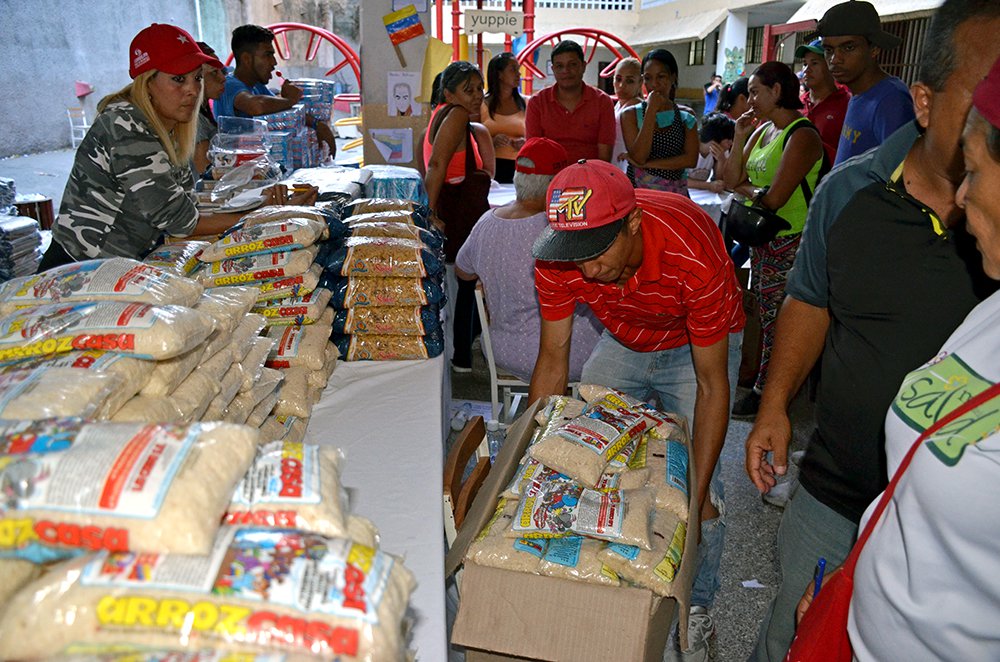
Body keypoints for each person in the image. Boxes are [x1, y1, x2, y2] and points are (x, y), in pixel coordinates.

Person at [744, 0, 1000, 658]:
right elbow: (810, 298)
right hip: (837, 490)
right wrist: (775, 402)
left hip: (958, 555)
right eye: (984, 93)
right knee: (791, 637)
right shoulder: (851, 193)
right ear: (924, 99)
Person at [528, 160, 744, 661]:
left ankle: (697, 601)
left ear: (632, 223)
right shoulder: (557, 260)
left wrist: (695, 489)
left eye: (596, 251)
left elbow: (713, 387)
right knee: (586, 453)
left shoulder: (691, 246)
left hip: (699, 345)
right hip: (628, 340)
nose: (585, 269)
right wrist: (537, 454)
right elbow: (553, 359)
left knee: (699, 488)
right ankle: (607, 572)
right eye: (572, 253)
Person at [41, 23, 315, 268]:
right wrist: (263, 215)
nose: (192, 90)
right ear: (147, 83)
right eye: (177, 79)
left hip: (121, 264)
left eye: (196, 77)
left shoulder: (170, 125)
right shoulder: (125, 124)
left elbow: (186, 203)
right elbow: (180, 221)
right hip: (78, 267)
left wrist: (265, 205)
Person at [722, 62, 825, 417]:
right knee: (767, 316)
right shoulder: (762, 130)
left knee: (780, 320)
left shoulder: (802, 135)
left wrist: (747, 190)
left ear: (777, 91)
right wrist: (738, 136)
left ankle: (768, 392)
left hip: (791, 241)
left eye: (754, 91)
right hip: (763, 240)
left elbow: (775, 198)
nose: (748, 99)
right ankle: (765, 385)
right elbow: (729, 178)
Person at [455, 138, 602, 382]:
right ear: (557, 183)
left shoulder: (486, 223)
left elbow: (463, 272)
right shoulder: (563, 228)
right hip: (565, 353)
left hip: (502, 352)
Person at [423, 61, 496, 373]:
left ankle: (460, 350)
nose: (478, 96)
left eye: (480, 88)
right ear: (450, 93)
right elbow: (437, 166)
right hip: (459, 215)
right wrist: (429, 211)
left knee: (457, 286)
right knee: (463, 283)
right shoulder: (456, 116)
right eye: (469, 90)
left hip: (456, 212)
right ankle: (461, 356)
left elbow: (427, 163)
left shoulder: (439, 116)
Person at [816, 0, 914, 165]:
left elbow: (900, 176)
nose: (835, 59)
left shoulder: (891, 100)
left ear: (874, 49)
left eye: (848, 48)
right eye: (829, 50)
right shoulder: (858, 93)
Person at [215, 24, 336, 157]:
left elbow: (281, 109)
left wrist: (317, 124)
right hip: (237, 169)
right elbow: (256, 106)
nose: (274, 62)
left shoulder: (257, 86)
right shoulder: (229, 85)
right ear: (247, 59)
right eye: (268, 55)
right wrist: (290, 99)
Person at [620, 49, 699, 196]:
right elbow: (639, 156)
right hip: (640, 196)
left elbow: (690, 159)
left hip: (675, 196)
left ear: (673, 78)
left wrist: (648, 165)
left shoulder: (685, 116)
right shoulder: (630, 115)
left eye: (661, 77)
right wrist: (651, 111)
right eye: (648, 78)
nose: (654, 84)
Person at [524, 40, 616, 162]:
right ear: (553, 69)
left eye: (572, 64)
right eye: (559, 66)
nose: (565, 71)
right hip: (548, 177)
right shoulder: (537, 102)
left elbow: (604, 157)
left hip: (589, 176)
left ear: (583, 66)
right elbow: (533, 151)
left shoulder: (603, 102)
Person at [796, 38, 850, 165]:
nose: (806, 70)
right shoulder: (797, 104)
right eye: (804, 64)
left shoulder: (847, 104)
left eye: (814, 63)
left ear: (830, 64)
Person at [481, 52, 528, 184]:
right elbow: (472, 139)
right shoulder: (481, 104)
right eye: (513, 69)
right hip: (491, 168)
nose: (519, 74)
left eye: (518, 70)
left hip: (521, 167)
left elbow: (537, 137)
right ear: (499, 74)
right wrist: (491, 141)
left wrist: (525, 143)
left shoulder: (527, 103)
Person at [193, 42, 227, 175]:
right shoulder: (195, 121)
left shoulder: (204, 112)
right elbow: (205, 174)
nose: (223, 78)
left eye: (222, 72)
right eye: (214, 73)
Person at [688, 112, 734, 194]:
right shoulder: (689, 145)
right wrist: (708, 185)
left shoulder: (721, 151)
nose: (731, 143)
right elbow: (680, 180)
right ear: (714, 140)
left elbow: (718, 181)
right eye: (728, 140)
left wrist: (721, 160)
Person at [611, 57, 642, 175]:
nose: (621, 85)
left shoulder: (636, 106)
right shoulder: (619, 104)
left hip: (627, 171)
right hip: (616, 168)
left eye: (630, 81)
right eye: (618, 79)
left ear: (640, 82)